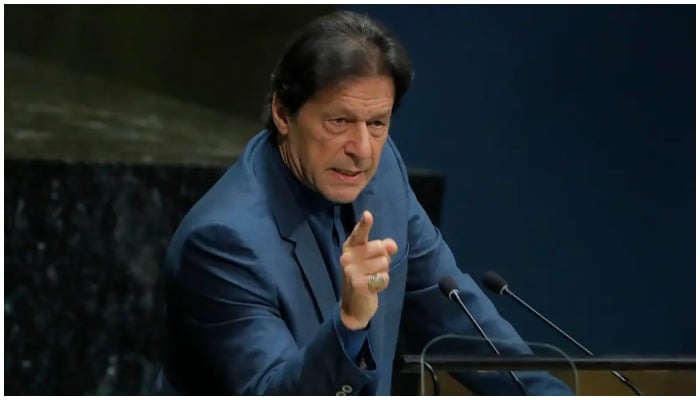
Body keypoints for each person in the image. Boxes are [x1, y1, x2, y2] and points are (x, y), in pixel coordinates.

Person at [152, 10, 572, 396]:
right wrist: (350, 322)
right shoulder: (222, 242)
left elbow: (453, 311)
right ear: (283, 112)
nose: (362, 149)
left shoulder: (383, 172)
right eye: (339, 122)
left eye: (377, 124)